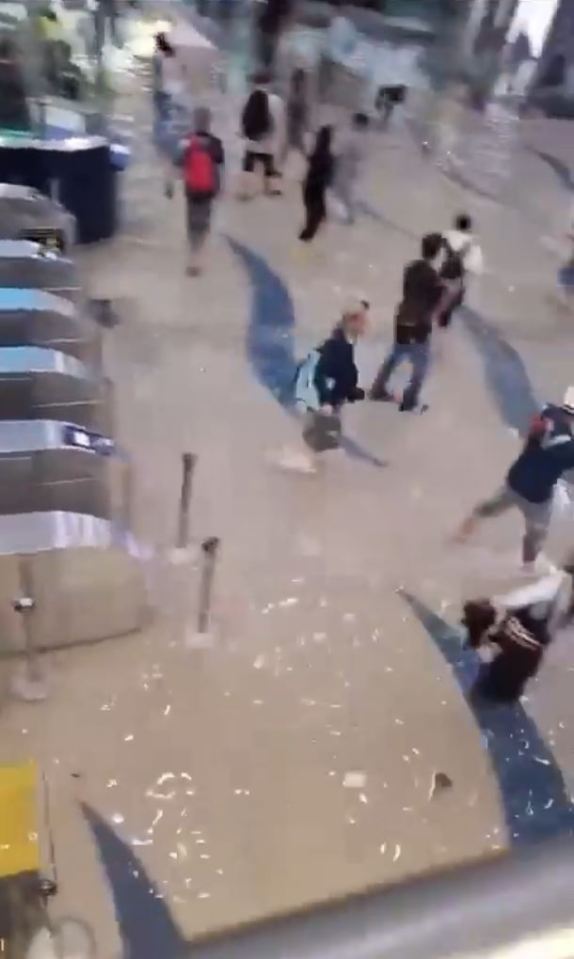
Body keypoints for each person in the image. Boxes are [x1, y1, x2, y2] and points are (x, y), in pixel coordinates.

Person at [455, 388, 574, 570]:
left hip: (515, 482)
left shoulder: (548, 411)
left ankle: (459, 537)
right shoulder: (568, 447)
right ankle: (527, 568)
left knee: (486, 509)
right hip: (537, 498)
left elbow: (538, 427)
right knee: (535, 535)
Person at [462, 559, 574, 703]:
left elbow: (526, 597)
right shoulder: (562, 588)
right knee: (509, 681)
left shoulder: (559, 583)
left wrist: (495, 602)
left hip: (522, 640)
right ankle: (498, 691)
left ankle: (487, 690)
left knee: (496, 681)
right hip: (531, 646)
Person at [280, 299, 368, 472]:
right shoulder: (337, 345)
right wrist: (326, 401)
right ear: (351, 320)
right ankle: (304, 460)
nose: (366, 324)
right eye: (362, 320)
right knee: (320, 431)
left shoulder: (345, 342)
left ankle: (310, 459)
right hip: (321, 398)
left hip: (331, 398)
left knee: (325, 432)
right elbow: (319, 373)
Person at [370, 233, 444, 411]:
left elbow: (407, 291)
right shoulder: (434, 278)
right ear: (437, 253)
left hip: (402, 317)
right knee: (421, 365)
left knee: (396, 354)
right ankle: (409, 399)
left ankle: (377, 388)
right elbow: (434, 305)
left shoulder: (410, 268)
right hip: (420, 323)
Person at [182, 107, 225, 276]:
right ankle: (199, 257)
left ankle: (193, 258)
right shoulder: (215, 143)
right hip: (209, 189)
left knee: (192, 223)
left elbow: (178, 161)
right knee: (204, 221)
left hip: (191, 188)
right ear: (209, 122)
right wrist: (221, 188)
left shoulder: (187, 140)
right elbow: (220, 165)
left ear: (194, 121)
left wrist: (169, 184)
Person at [436, 213, 483, 328]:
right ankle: (445, 318)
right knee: (456, 298)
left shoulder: (445, 236)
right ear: (468, 227)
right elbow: (475, 266)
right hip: (457, 277)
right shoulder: (471, 243)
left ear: (455, 224)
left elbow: (436, 255)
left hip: (443, 272)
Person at [239, 76, 282, 197]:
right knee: (269, 166)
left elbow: (244, 118)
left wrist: (243, 134)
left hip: (251, 141)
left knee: (248, 166)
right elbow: (276, 123)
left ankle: (246, 190)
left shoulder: (248, 98)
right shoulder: (274, 100)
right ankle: (273, 189)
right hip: (267, 141)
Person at [299, 125, 335, 242]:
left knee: (311, 208)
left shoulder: (317, 152)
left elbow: (310, 160)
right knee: (318, 205)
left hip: (312, 183)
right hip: (321, 184)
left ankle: (309, 232)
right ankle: (319, 221)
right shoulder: (329, 156)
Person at [332, 112, 369, 225]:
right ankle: (348, 214)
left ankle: (350, 216)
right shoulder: (360, 137)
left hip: (345, 166)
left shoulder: (353, 136)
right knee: (343, 191)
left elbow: (340, 151)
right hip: (351, 167)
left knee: (344, 192)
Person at [281, 68, 309, 166]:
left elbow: (301, 111)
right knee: (293, 146)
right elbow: (293, 109)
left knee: (290, 146)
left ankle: (280, 165)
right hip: (293, 125)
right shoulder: (297, 95)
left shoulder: (297, 94)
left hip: (294, 125)